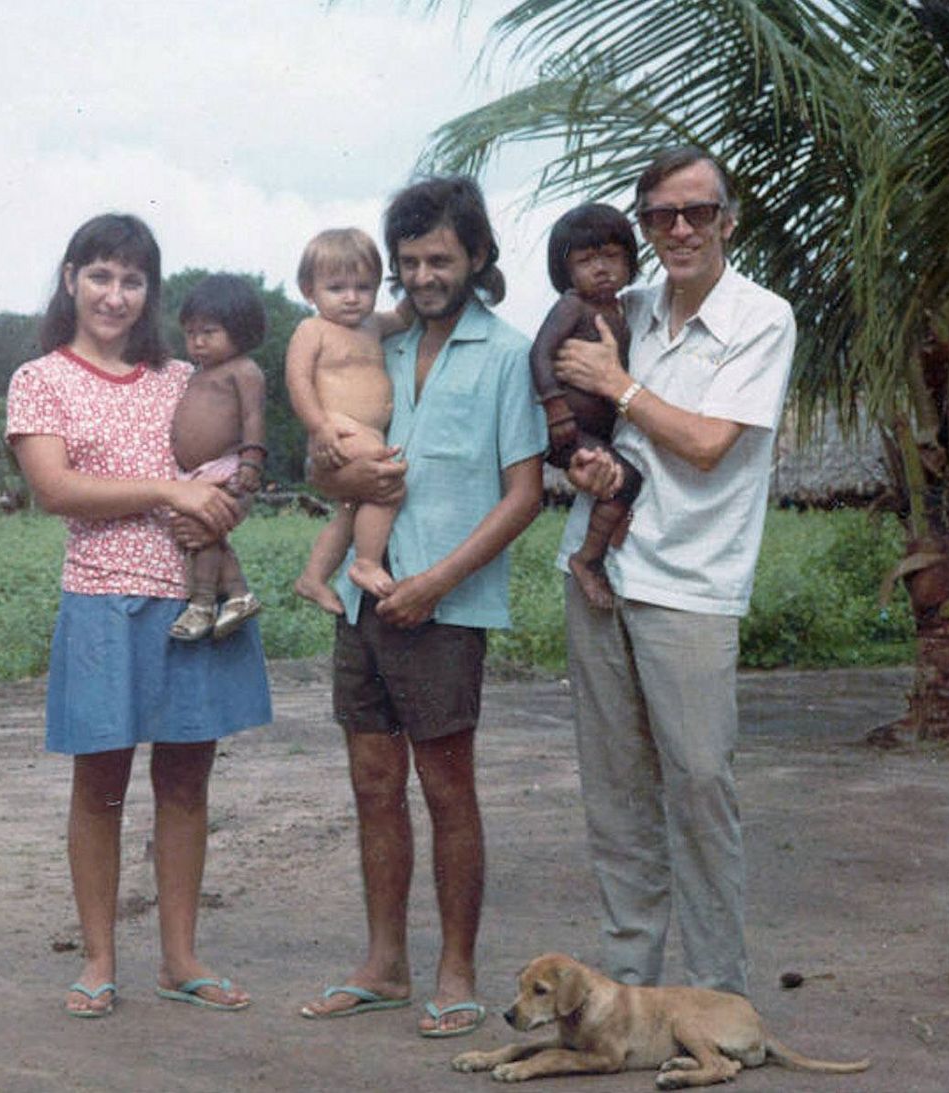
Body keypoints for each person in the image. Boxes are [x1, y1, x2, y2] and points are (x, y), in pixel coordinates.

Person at [5, 213, 273, 1018]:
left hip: (193, 598)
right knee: (101, 786)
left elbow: (224, 465)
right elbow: (56, 489)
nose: (115, 295)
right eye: (101, 276)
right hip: (102, 602)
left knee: (187, 782)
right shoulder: (40, 378)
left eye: (132, 280)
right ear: (70, 279)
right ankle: (97, 958)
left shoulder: (178, 375)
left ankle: (181, 957)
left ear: (149, 292)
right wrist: (169, 492)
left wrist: (225, 504)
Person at [297, 177, 546, 1038]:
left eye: (440, 258)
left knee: (447, 789)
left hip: (445, 607)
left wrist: (435, 582)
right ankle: (384, 964)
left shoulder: (507, 353)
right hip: (363, 603)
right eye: (407, 261)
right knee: (372, 784)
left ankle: (456, 968)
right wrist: (334, 468)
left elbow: (524, 495)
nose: (423, 275)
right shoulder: (376, 346)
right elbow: (325, 472)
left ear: (477, 256)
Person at [551, 147, 797, 998]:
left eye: (699, 211)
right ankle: (627, 988)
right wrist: (582, 458)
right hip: (601, 573)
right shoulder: (629, 304)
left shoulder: (762, 318)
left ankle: (720, 997)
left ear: (730, 219)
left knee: (698, 788)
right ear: (643, 226)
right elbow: (568, 399)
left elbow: (704, 444)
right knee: (615, 796)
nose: (681, 228)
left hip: (691, 586)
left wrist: (617, 386)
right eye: (662, 215)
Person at [285, 228, 412, 612]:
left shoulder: (373, 324)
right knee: (388, 483)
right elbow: (298, 381)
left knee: (350, 509)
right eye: (337, 288)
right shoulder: (313, 330)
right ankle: (366, 562)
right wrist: (319, 427)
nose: (352, 297)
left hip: (368, 432)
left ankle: (313, 577)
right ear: (310, 291)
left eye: (364, 286)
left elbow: (407, 314)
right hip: (338, 431)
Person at [528, 203, 644, 610]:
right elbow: (540, 354)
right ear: (566, 271)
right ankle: (587, 558)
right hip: (566, 427)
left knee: (619, 481)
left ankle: (608, 524)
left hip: (593, 431)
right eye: (586, 260)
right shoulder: (572, 306)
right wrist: (555, 409)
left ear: (630, 260)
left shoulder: (625, 311)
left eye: (611, 257)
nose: (601, 268)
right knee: (628, 480)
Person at [167, 273, 269, 641]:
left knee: (207, 531)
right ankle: (238, 595)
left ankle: (203, 603)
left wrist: (251, 462)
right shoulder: (195, 374)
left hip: (227, 467)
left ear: (239, 330)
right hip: (193, 473)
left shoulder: (244, 371)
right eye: (190, 334)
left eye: (208, 332)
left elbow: (253, 418)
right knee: (201, 534)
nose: (197, 342)